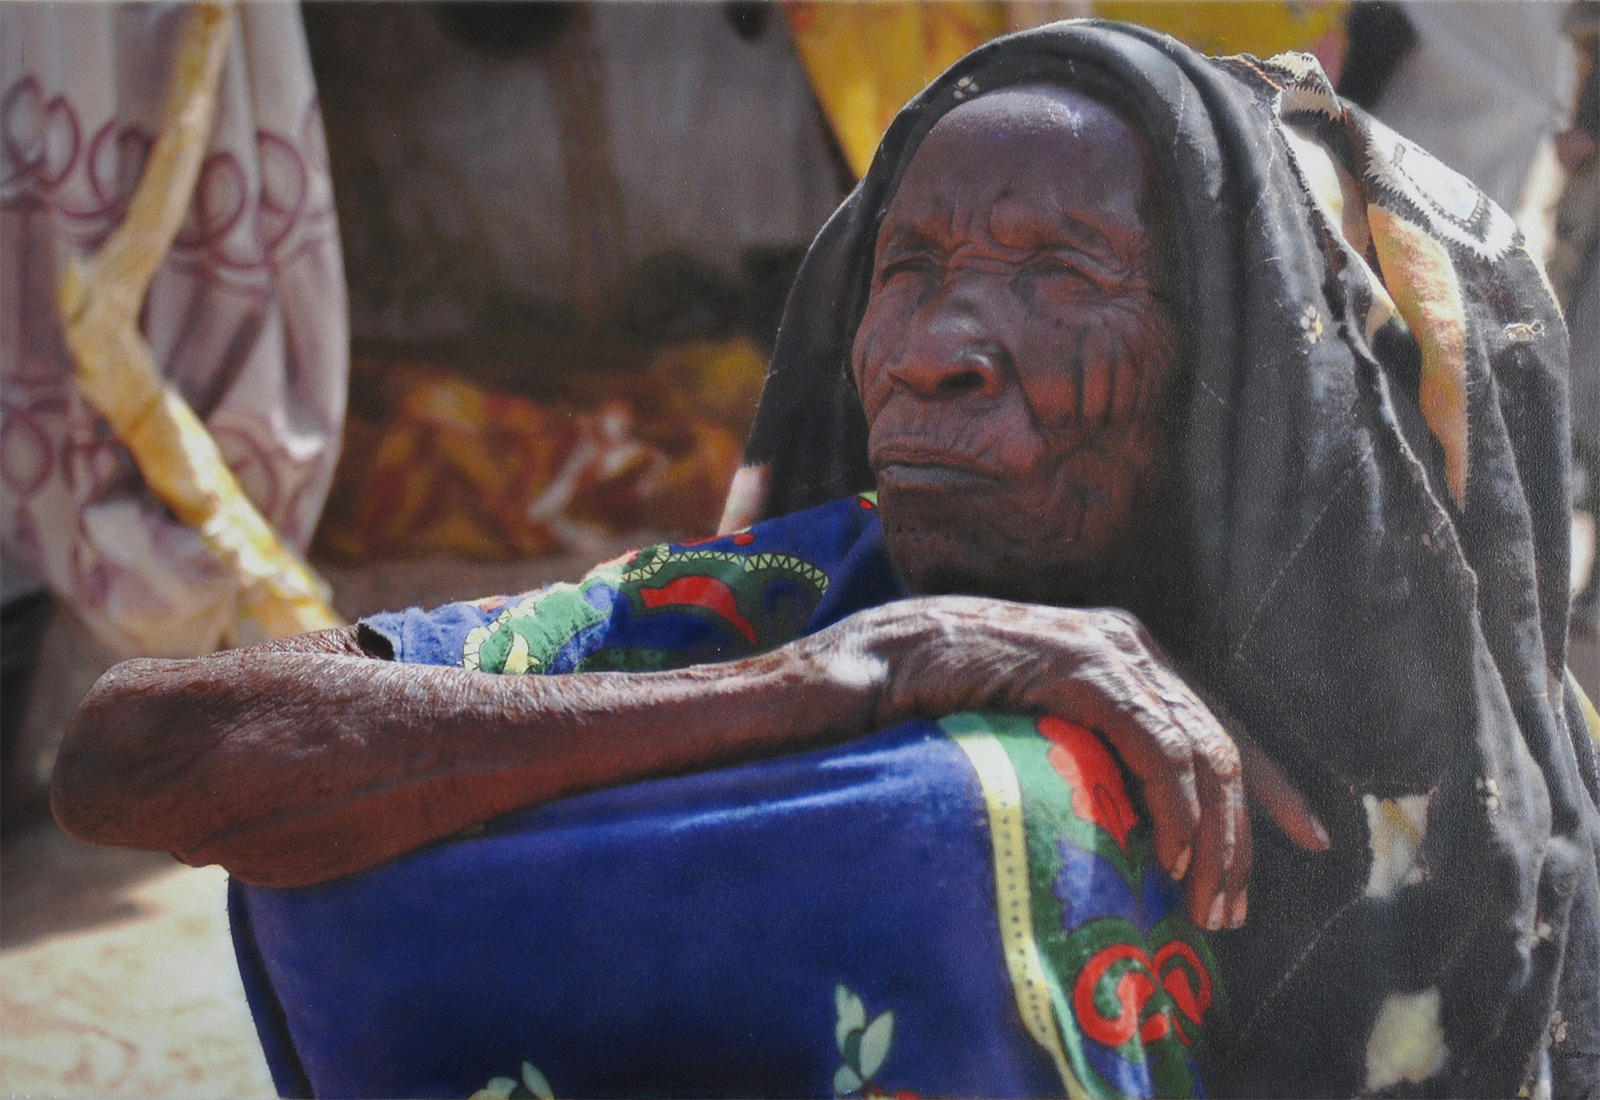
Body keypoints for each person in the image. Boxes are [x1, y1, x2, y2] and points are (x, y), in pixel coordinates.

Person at [50, 20, 1600, 1099]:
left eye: (1063, 273)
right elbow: (138, 758)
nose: (933, 351)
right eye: (907, 269)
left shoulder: (1451, 815)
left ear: (1250, 379)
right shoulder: (806, 602)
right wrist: (843, 683)